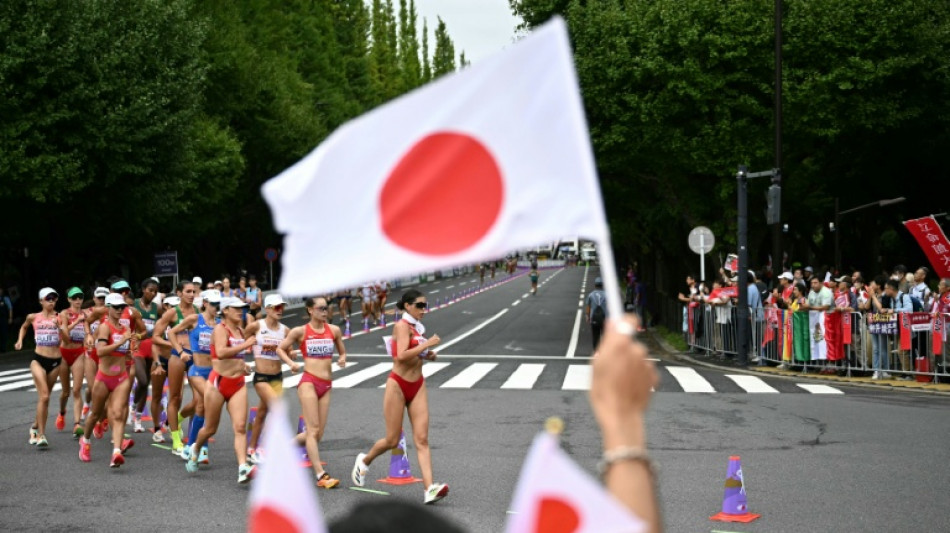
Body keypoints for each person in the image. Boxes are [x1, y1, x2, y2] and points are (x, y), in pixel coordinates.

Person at [352, 290, 448, 504]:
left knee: (422, 439)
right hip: (397, 385)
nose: (424, 309)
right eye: (420, 305)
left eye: (425, 305)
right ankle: (365, 460)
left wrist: (428, 355)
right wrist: (426, 345)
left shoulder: (417, 328)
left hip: (418, 384)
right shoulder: (401, 326)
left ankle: (429, 489)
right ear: (407, 306)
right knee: (392, 439)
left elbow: (415, 353)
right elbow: (401, 356)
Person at [184, 297, 256, 483]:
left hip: (237, 384)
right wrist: (246, 345)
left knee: (240, 427)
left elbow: (236, 356)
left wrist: (244, 366)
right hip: (218, 384)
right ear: (225, 311)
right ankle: (196, 448)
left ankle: (242, 467)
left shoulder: (240, 330)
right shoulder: (219, 329)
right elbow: (222, 353)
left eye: (242, 309)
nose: (240, 312)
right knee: (210, 429)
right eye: (236, 309)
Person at [278, 296, 347, 488]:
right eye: (321, 308)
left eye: (326, 308)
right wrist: (291, 363)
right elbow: (280, 349)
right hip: (308, 382)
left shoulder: (334, 330)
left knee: (316, 434)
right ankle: (320, 475)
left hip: (326, 385)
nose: (325, 312)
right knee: (313, 430)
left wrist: (342, 358)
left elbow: (342, 351)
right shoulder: (300, 331)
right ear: (310, 310)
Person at [78, 293, 135, 467]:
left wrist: (129, 352)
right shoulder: (104, 327)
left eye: (122, 307)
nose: (119, 310)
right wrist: (121, 343)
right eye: (116, 307)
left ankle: (116, 452)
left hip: (121, 378)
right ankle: (85, 440)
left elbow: (124, 352)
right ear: (108, 308)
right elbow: (101, 351)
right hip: (104, 378)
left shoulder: (125, 329)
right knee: (95, 414)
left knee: (118, 414)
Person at [172, 289, 221, 465]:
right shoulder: (195, 319)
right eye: (214, 304)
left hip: (213, 372)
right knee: (209, 403)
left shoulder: (220, 324)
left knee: (200, 407)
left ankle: (192, 446)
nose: (217, 307)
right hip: (197, 371)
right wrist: (180, 352)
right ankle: (201, 448)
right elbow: (171, 333)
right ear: (205, 303)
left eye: (219, 304)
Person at [245, 294, 295, 465]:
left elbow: (289, 350)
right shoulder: (256, 326)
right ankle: (262, 449)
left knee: (261, 413)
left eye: (282, 307)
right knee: (277, 409)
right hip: (261, 377)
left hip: (277, 377)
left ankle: (251, 448)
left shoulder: (285, 330)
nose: (280, 310)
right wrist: (241, 362)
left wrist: (291, 354)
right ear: (267, 309)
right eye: (276, 307)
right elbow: (240, 342)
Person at [152, 280, 200, 456]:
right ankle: (176, 441)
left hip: (195, 357)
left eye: (193, 292)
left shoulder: (197, 312)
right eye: (188, 291)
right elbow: (155, 336)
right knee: (175, 396)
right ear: (179, 293)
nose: (191, 295)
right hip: (178, 356)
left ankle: (179, 420)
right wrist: (174, 345)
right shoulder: (172, 313)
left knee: (199, 400)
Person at [15, 288, 63, 447]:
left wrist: (61, 327)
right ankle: (41, 435)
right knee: (44, 396)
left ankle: (35, 427)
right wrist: (20, 340)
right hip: (38, 360)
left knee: (46, 398)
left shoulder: (60, 317)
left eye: (54, 299)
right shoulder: (33, 316)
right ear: (41, 301)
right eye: (48, 298)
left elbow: (66, 337)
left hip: (55, 361)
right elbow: (24, 326)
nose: (51, 301)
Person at [57, 287, 88, 438]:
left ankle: (77, 424)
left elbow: (89, 332)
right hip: (63, 353)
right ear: (69, 299)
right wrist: (76, 321)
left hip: (79, 353)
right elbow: (64, 334)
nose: (77, 300)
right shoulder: (64, 313)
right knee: (65, 392)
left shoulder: (86, 314)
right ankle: (62, 413)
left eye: (80, 297)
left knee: (76, 390)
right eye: (74, 297)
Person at [131, 278, 161, 433]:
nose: (153, 293)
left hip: (152, 348)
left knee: (146, 385)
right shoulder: (134, 305)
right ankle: (134, 406)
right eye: (150, 290)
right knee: (142, 381)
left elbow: (164, 323)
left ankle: (137, 417)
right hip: (138, 348)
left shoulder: (157, 308)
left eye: (155, 291)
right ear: (143, 289)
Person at [586, 278, 608, 350]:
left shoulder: (590, 295)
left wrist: (587, 317)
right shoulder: (607, 295)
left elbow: (588, 307)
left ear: (595, 285)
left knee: (595, 336)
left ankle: (596, 352)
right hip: (605, 319)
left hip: (594, 318)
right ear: (602, 285)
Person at [0, 287, 13, 352]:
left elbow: (10, 308)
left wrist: (10, 318)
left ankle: (3, 349)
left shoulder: (5, 299)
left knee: (4, 333)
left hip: (3, 318)